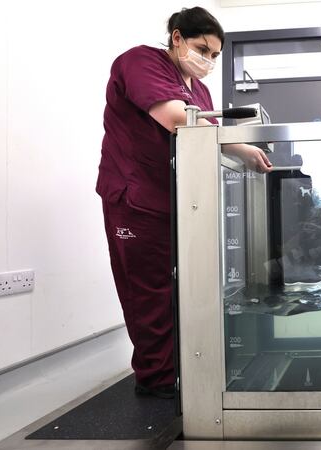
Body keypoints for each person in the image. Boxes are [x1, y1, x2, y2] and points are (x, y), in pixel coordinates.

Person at [96, 6, 272, 399]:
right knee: (149, 289)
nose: (207, 60)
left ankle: (186, 371)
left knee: (186, 288)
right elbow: (179, 119)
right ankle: (156, 379)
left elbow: (207, 139)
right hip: (136, 199)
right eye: (202, 49)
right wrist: (242, 148)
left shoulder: (200, 90)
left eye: (214, 55)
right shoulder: (141, 62)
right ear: (177, 38)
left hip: (181, 202)